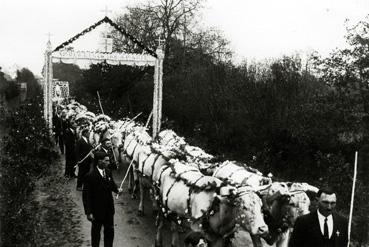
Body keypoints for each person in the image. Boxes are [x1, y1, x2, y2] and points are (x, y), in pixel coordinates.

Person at [83, 152, 123, 247]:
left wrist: (117, 190)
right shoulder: (90, 176)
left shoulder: (108, 172)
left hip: (109, 210)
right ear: (99, 161)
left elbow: (111, 184)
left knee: (109, 233)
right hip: (97, 212)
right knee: (96, 234)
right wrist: (88, 212)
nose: (108, 162)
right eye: (106, 160)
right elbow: (86, 196)